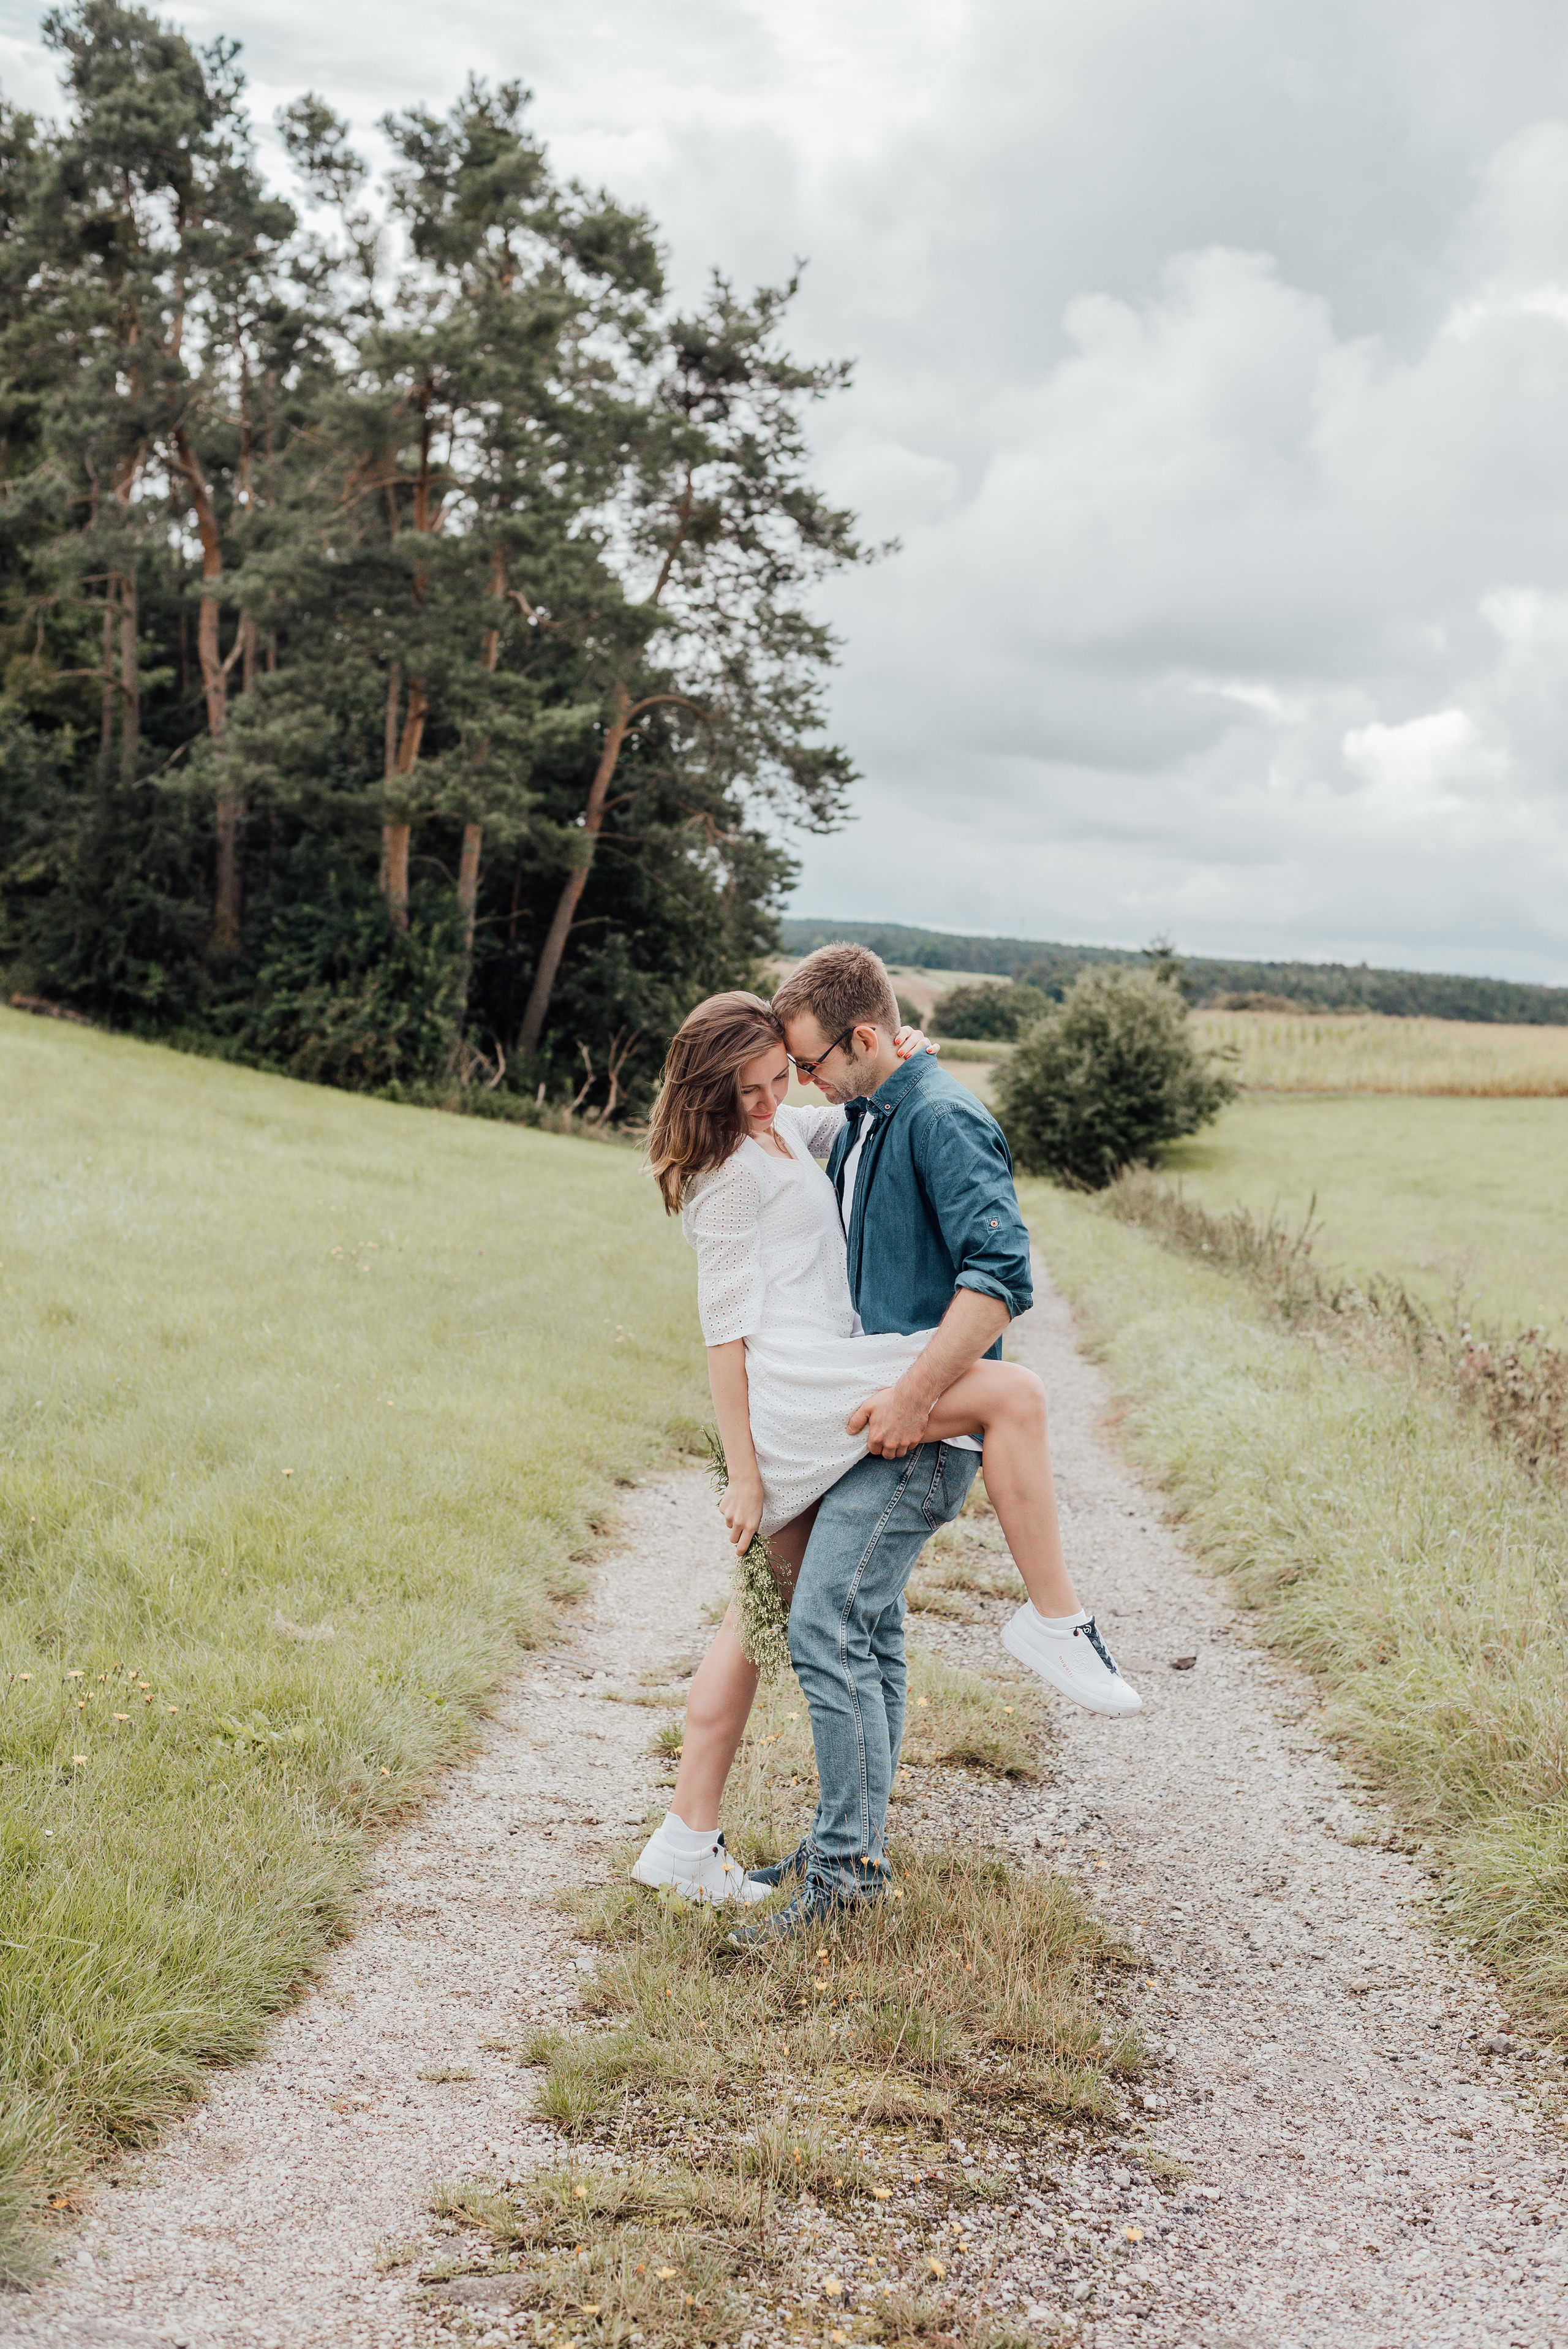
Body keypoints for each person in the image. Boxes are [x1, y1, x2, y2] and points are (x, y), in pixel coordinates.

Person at [630, 952, 1140, 1917]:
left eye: (790, 1071)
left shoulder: (799, 1123)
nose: (780, 1096)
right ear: (711, 1093)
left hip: (824, 1370)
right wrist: (743, 1473)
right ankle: (1055, 1621)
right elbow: (722, 1337)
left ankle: (692, 1837)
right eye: (753, 1088)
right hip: (797, 1386)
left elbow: (863, 1102)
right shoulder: (735, 1171)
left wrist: (907, 1055)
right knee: (1014, 1395)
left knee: (764, 1619)